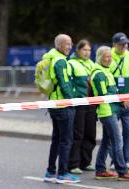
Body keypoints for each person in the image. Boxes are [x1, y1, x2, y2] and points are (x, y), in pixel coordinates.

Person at [91, 46, 129, 181]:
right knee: (118, 142)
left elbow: (113, 91)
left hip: (111, 110)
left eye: (110, 56)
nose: (109, 59)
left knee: (107, 142)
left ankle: (100, 170)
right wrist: (121, 101)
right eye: (106, 57)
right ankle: (123, 172)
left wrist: (120, 98)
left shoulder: (105, 71)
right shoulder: (99, 73)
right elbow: (103, 95)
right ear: (99, 57)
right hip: (107, 112)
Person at [43, 34, 80, 184]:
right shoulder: (60, 61)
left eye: (71, 44)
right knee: (66, 140)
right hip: (64, 105)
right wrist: (73, 100)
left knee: (56, 139)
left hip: (54, 104)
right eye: (67, 44)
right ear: (59, 45)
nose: (70, 47)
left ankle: (50, 172)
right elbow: (64, 84)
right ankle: (62, 173)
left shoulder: (51, 57)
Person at [109, 32, 129, 170]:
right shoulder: (107, 55)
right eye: (122, 44)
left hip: (128, 102)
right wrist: (119, 98)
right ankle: (114, 161)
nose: (125, 46)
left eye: (126, 43)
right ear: (114, 44)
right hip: (113, 101)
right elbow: (106, 80)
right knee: (112, 134)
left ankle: (126, 160)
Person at [68, 39, 97, 174]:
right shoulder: (71, 63)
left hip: (91, 103)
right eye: (84, 50)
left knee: (90, 134)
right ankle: (74, 164)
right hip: (79, 103)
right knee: (77, 135)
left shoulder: (93, 64)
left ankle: (86, 162)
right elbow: (69, 83)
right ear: (78, 50)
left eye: (89, 50)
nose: (87, 52)